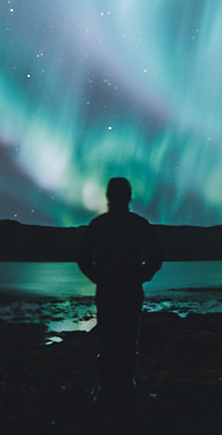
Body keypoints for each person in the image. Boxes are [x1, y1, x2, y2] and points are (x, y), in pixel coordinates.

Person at [77, 177, 163, 413]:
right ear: (129, 196)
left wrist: (99, 277)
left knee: (108, 341)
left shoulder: (99, 224)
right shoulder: (139, 224)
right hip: (130, 290)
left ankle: (107, 391)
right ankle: (126, 389)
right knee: (127, 340)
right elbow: (157, 257)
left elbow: (82, 257)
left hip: (107, 290)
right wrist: (141, 276)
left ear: (108, 196)